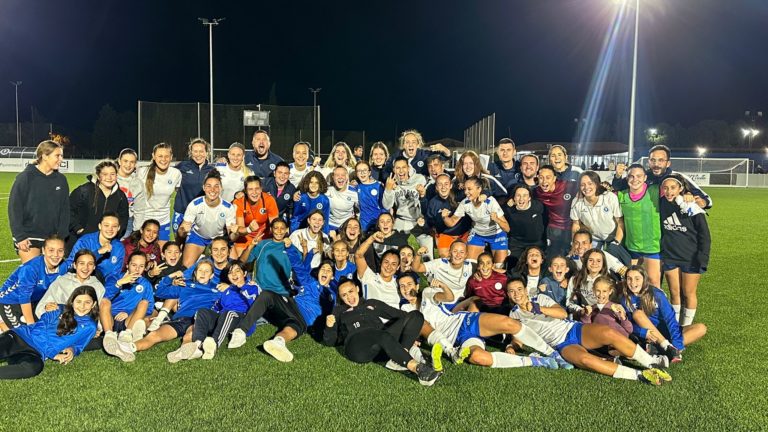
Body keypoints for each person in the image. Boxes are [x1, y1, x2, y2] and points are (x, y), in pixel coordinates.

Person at [505, 276, 671, 385]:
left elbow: (562, 313)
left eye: (519, 289)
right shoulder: (513, 315)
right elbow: (519, 336)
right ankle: (638, 375)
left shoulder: (539, 298)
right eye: (512, 291)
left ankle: (651, 362)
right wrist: (512, 347)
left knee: (608, 333)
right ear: (508, 295)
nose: (516, 293)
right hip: (560, 345)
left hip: (572, 329)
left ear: (525, 290)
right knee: (585, 360)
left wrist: (538, 308)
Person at [413, 273, 563, 370]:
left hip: (463, 321)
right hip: (455, 341)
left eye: (409, 284)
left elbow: (449, 297)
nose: (407, 289)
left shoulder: (426, 294)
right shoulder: (406, 312)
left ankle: (552, 354)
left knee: (509, 323)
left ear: (417, 286)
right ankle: (536, 361)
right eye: (402, 286)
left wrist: (442, 285)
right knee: (479, 358)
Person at [323, 279, 443, 386]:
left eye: (351, 291)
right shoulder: (339, 311)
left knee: (416, 316)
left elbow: (400, 315)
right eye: (344, 295)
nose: (349, 297)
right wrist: (329, 327)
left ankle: (401, 353)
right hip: (358, 347)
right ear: (340, 297)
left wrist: (412, 334)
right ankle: (418, 369)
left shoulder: (371, 303)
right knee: (379, 333)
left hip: (382, 343)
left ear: (357, 289)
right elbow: (330, 341)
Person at [227, 247, 332, 362]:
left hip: (303, 319)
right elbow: (299, 267)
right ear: (318, 272)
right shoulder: (310, 282)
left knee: (294, 326)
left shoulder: (331, 294)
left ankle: (279, 342)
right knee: (267, 295)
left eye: (329, 270)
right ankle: (241, 331)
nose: (325, 271)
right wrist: (290, 248)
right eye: (323, 269)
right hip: (290, 306)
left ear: (332, 276)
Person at [113, 260, 223, 362]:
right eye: (200, 270)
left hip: (198, 320)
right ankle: (128, 348)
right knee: (154, 335)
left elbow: (231, 304)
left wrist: (229, 288)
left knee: (188, 336)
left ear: (212, 275)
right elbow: (160, 292)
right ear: (195, 273)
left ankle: (183, 352)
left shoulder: (217, 289)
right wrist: (170, 277)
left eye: (207, 271)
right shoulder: (185, 284)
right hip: (181, 318)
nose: (203, 273)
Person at [0, 286, 98, 379]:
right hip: (20, 338)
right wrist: (53, 354)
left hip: (36, 353)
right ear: (72, 302)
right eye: (79, 302)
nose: (82, 306)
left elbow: (80, 345)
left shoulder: (90, 327)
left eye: (87, 302)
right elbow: (37, 332)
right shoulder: (57, 309)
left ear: (93, 304)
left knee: (34, 367)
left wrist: (72, 350)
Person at [168, 262, 261, 361]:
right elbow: (217, 306)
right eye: (230, 272)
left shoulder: (252, 287)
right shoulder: (227, 290)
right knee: (202, 311)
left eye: (237, 271)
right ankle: (197, 345)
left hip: (242, 321)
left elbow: (253, 300)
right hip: (224, 319)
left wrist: (241, 286)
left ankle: (214, 343)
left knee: (230, 313)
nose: (233, 274)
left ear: (245, 273)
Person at [618, 265, 706, 359]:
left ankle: (662, 349)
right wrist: (643, 332)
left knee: (701, 328)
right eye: (629, 279)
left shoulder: (656, 294)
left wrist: (677, 344)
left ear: (644, 279)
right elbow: (628, 325)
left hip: (665, 332)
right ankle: (665, 347)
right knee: (637, 314)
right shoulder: (625, 299)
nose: (633, 282)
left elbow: (670, 319)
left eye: (637, 279)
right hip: (649, 336)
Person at [660, 174, 711, 326]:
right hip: (670, 256)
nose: (669, 191)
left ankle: (686, 327)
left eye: (673, 188)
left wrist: (703, 257)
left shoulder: (692, 206)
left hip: (691, 257)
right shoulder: (661, 203)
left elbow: (705, 236)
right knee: (674, 294)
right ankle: (675, 327)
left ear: (681, 188)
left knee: (688, 293)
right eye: (666, 188)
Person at [8, 140, 69, 264]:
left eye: (62, 156)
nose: (61, 159)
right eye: (57, 155)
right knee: (33, 276)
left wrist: (61, 237)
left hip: (52, 238)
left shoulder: (61, 180)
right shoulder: (25, 177)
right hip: (29, 236)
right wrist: (20, 236)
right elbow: (15, 209)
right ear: (45, 156)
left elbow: (65, 210)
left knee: (49, 280)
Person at [612, 144, 712, 209]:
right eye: (653, 160)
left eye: (661, 160)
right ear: (649, 162)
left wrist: (700, 201)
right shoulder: (643, 177)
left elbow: (708, 200)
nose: (656, 164)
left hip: (671, 228)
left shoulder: (679, 178)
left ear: (668, 163)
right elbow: (619, 187)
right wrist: (618, 175)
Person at [0, 235, 67, 331]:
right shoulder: (31, 268)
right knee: (25, 336)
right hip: (11, 301)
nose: (56, 255)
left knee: (48, 329)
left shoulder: (63, 266)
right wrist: (31, 325)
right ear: (43, 250)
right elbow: (24, 297)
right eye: (51, 250)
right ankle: (3, 325)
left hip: (35, 301)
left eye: (60, 250)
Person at [442, 177, 509, 266]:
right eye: (465, 189)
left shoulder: (490, 202)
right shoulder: (465, 203)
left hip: (496, 235)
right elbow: (451, 223)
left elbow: (507, 228)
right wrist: (444, 217)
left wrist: (497, 220)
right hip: (478, 234)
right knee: (470, 266)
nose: (466, 192)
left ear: (479, 189)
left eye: (469, 189)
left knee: (500, 267)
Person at [178, 170, 239, 268]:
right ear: (204, 188)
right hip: (198, 236)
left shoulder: (228, 207)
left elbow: (232, 237)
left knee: (233, 264)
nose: (213, 189)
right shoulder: (195, 204)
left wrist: (235, 233)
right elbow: (181, 233)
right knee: (187, 265)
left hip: (219, 237)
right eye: (209, 186)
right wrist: (183, 230)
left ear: (221, 188)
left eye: (216, 186)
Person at [100, 252, 153, 358]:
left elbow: (149, 309)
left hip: (128, 320)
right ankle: (109, 336)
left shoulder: (145, 284)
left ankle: (126, 335)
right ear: (127, 265)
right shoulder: (114, 277)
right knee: (104, 301)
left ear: (144, 268)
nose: (137, 269)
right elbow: (103, 297)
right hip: (109, 318)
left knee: (144, 302)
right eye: (134, 265)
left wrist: (128, 313)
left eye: (141, 266)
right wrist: (119, 283)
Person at [617, 164, 662, 288]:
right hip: (631, 246)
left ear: (645, 177)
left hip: (652, 245)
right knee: (630, 281)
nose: (634, 179)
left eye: (639, 176)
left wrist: (689, 193)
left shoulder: (654, 191)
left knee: (653, 281)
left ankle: (656, 306)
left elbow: (674, 188)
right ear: (627, 179)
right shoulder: (622, 195)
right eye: (631, 176)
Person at [68, 160, 129, 250]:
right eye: (105, 174)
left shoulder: (121, 196)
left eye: (112, 174)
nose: (109, 177)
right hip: (80, 241)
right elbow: (68, 211)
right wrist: (79, 229)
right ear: (98, 175)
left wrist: (115, 237)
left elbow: (123, 219)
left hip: (106, 244)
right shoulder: (83, 191)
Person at [132, 142, 182, 246]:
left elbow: (179, 194)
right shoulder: (142, 172)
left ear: (171, 157)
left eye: (166, 156)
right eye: (160, 156)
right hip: (144, 221)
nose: (163, 159)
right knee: (142, 255)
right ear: (153, 156)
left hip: (163, 222)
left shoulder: (176, 174)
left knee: (162, 255)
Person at [35, 250, 105, 319]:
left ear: (94, 267)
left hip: (84, 326)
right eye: (81, 263)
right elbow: (41, 307)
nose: (86, 267)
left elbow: (100, 313)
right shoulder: (62, 281)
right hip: (60, 322)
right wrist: (46, 307)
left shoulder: (98, 287)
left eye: (90, 264)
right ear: (74, 265)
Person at [62, 213, 126, 288]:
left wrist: (105, 295)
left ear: (118, 228)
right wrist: (98, 252)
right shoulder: (86, 241)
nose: (110, 229)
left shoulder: (119, 247)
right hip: (77, 283)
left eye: (114, 226)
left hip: (102, 287)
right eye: (106, 225)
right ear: (99, 226)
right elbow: (71, 265)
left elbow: (114, 276)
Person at [383, 157, 431, 255]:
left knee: (427, 246)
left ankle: (427, 267)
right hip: (401, 221)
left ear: (408, 168)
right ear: (393, 170)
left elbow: (427, 202)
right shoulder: (391, 182)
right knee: (395, 251)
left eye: (403, 167)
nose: (401, 171)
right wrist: (388, 190)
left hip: (418, 221)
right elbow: (387, 206)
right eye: (397, 168)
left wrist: (423, 194)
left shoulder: (420, 179)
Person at [420, 173, 470, 259]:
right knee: (444, 258)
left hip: (463, 233)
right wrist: (423, 223)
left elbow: (477, 190)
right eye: (440, 184)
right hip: (445, 235)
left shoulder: (460, 196)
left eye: (446, 184)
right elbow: (429, 222)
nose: (443, 187)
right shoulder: (433, 203)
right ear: (436, 187)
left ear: (451, 185)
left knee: (467, 258)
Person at [239, 219, 293, 296]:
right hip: (262, 291)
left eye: (282, 228)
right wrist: (251, 246)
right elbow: (242, 261)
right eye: (276, 228)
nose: (279, 231)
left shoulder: (290, 247)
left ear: (286, 230)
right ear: (271, 229)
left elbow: (300, 267)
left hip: (282, 292)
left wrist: (304, 250)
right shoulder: (262, 245)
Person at [172, 138, 214, 237]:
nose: (198, 154)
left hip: (200, 214)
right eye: (195, 151)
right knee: (178, 242)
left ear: (206, 152)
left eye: (201, 151)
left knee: (195, 244)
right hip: (181, 211)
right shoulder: (183, 166)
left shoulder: (212, 170)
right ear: (191, 152)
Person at [570, 171, 623, 247]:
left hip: (613, 238)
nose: (586, 187)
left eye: (590, 183)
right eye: (582, 185)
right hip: (593, 239)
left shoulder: (610, 197)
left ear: (597, 184)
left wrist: (616, 242)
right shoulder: (577, 202)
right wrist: (574, 245)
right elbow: (576, 224)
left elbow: (620, 222)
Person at [534, 164, 578, 257]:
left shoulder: (568, 186)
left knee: (571, 257)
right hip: (552, 229)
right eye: (541, 178)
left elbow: (585, 187)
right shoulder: (537, 192)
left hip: (571, 228)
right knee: (553, 257)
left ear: (554, 178)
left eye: (548, 177)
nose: (544, 181)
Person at [502, 184, 546, 268]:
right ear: (514, 198)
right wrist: (507, 206)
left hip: (536, 244)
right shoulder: (508, 209)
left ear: (529, 198)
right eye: (518, 195)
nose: (521, 199)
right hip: (516, 244)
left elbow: (546, 222)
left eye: (525, 195)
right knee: (513, 267)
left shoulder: (538, 206)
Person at [232, 175, 278, 257]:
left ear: (261, 189)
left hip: (264, 235)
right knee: (241, 260)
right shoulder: (238, 202)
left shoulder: (269, 200)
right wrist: (249, 229)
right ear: (245, 191)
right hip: (245, 236)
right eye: (250, 189)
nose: (254, 192)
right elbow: (240, 229)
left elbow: (275, 225)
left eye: (257, 189)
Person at [355, 232, 401, 308]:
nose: (389, 267)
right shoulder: (368, 277)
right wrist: (372, 238)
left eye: (393, 264)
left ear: (398, 267)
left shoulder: (399, 284)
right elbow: (358, 255)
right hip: (371, 318)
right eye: (386, 262)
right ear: (381, 263)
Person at [565, 248, 611, 317]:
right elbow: (569, 303)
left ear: (603, 264)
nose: (594, 263)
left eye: (598, 261)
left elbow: (612, 304)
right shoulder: (575, 279)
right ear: (585, 262)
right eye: (590, 260)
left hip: (602, 317)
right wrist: (582, 310)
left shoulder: (609, 281)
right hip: (581, 316)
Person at [116, 148, 143, 239]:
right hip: (109, 221)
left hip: (128, 221)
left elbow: (140, 208)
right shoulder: (111, 178)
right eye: (125, 161)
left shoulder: (138, 183)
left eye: (132, 162)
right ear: (119, 161)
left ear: (135, 164)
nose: (128, 165)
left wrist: (137, 229)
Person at [353, 160, 386, 233]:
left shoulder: (379, 186)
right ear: (356, 174)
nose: (362, 173)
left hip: (378, 223)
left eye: (365, 170)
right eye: (359, 171)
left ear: (369, 172)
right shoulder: (355, 187)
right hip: (363, 224)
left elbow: (385, 206)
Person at [327, 166, 359, 233]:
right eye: (337, 175)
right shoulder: (327, 191)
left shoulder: (354, 192)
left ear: (347, 177)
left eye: (343, 175)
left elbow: (359, 211)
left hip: (346, 226)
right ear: (333, 177)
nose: (340, 177)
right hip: (330, 225)